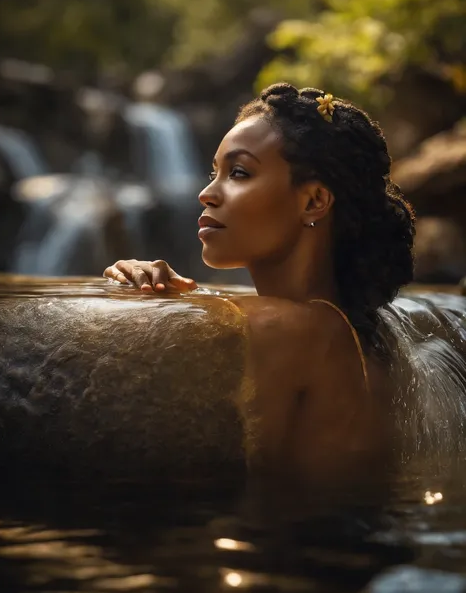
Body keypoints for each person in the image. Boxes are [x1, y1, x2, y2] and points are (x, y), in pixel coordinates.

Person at [104, 83, 415, 485]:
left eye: (238, 172)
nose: (206, 194)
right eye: (212, 173)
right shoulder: (357, 328)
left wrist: (141, 305)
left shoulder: (286, 330)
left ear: (313, 201)